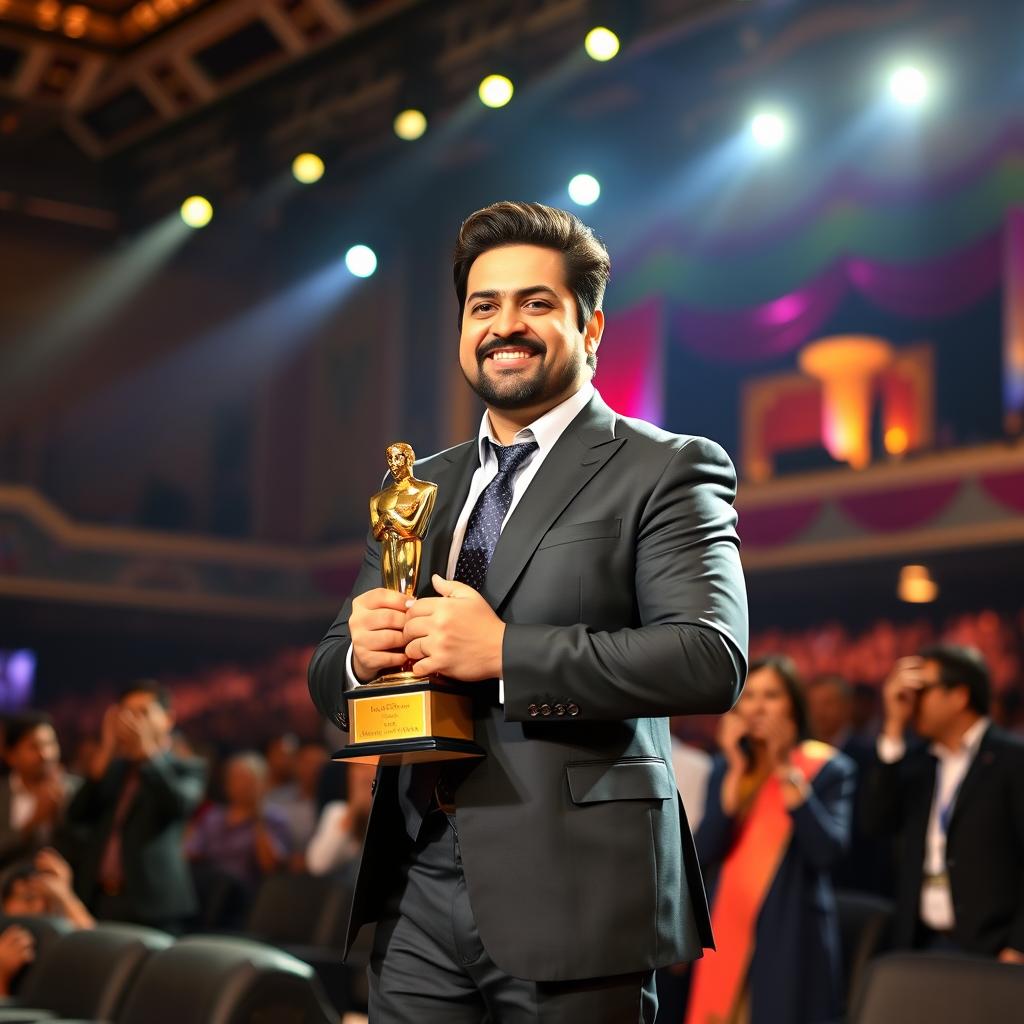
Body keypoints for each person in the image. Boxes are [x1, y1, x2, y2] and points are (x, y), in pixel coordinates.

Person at [308, 200, 748, 1023]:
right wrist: (360, 657)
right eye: (484, 305)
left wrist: (508, 651)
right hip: (414, 886)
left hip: (577, 894)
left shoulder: (667, 467)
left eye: (535, 303)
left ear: (592, 328)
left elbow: (708, 658)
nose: (505, 325)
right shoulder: (415, 487)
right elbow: (328, 673)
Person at [687, 655, 855, 1024]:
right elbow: (703, 852)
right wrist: (733, 768)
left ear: (792, 702)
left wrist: (784, 771)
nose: (759, 707)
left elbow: (826, 852)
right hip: (727, 925)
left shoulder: (827, 768)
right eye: (750, 696)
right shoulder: (726, 768)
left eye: (772, 695)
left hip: (792, 928)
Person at [862, 644, 1024, 960]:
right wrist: (893, 730)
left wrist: (1019, 945)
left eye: (923, 690)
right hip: (923, 942)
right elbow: (875, 823)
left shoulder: (1013, 760)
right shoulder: (918, 764)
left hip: (994, 948)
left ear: (959, 696)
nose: (911, 701)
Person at [64, 679, 206, 932]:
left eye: (143, 712)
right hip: (99, 899)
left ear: (168, 719)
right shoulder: (115, 769)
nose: (133, 721)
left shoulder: (187, 768)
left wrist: (147, 755)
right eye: (127, 713)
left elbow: (177, 805)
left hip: (154, 904)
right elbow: (77, 815)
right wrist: (106, 750)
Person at [807, 674, 893, 895]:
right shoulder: (796, 758)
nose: (819, 712)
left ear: (847, 708)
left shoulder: (869, 758)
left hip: (857, 878)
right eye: (813, 704)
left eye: (828, 703)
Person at [186, 752, 292, 893]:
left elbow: (270, 866)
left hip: (243, 893)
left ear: (261, 783)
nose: (241, 786)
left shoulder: (273, 819)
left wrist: (258, 817)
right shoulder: (213, 816)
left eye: (247, 780)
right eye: (235, 779)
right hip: (207, 886)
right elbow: (190, 852)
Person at [0, 712, 75, 869]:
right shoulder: (3, 793)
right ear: (10, 755)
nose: (45, 755)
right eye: (34, 747)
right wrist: (32, 822)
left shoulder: (74, 790)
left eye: (50, 744)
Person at [306, 761, 375, 877]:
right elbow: (318, 865)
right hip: (346, 889)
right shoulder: (337, 812)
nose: (364, 774)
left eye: (371, 767)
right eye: (359, 767)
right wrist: (353, 811)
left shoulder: (395, 812)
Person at [1, 847, 95, 928]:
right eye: (29, 898)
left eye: (48, 901)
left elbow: (96, 943)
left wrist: (66, 896)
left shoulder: (57, 930)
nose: (39, 907)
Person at [266, 742, 328, 862]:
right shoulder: (275, 799)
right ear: (296, 764)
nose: (312, 769)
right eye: (307, 763)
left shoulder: (334, 806)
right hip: (281, 867)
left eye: (319, 765)